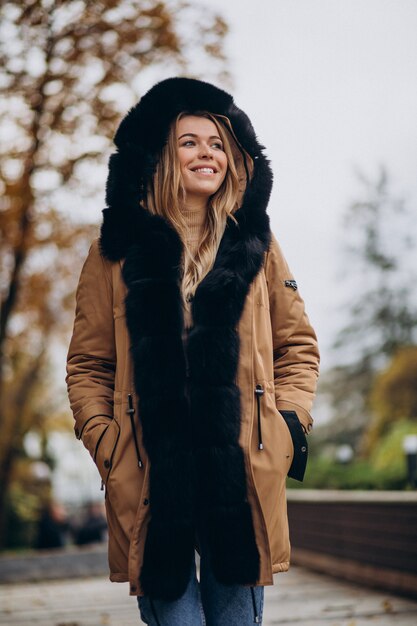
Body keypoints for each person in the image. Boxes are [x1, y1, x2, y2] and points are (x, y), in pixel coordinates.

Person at [66, 77, 320, 626]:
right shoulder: (113, 255)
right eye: (189, 141)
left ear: (234, 159)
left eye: (217, 143)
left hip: (241, 475)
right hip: (152, 477)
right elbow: (89, 365)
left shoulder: (259, 247)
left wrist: (288, 427)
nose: (207, 152)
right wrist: (106, 441)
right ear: (161, 157)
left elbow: (297, 346)